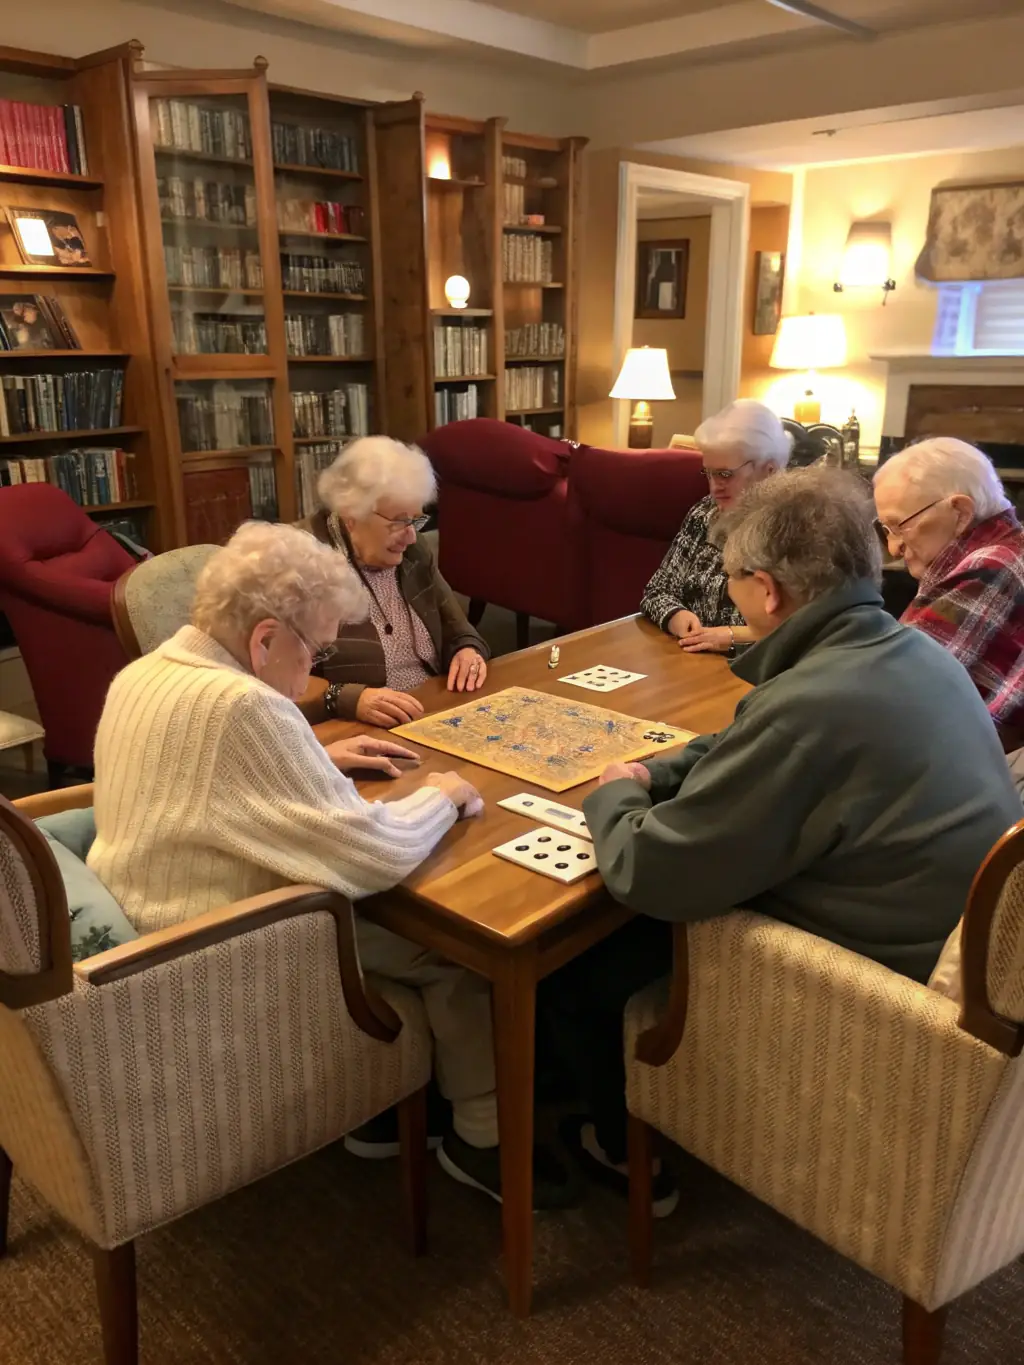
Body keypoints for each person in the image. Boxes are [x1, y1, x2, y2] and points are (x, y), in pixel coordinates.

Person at [540, 466, 1021, 1215]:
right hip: (941, 944)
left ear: (766, 590)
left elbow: (650, 870)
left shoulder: (814, 701)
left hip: (866, 994)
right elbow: (750, 741)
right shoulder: (907, 651)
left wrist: (614, 796)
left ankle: (630, 1150)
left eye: (731, 580)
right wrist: (656, 769)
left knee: (578, 965)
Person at [88, 521, 567, 1206]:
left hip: (151, 917)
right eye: (314, 649)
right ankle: (480, 1140)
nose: (314, 670)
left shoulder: (148, 671)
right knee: (457, 946)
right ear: (263, 639)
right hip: (218, 951)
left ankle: (393, 1113)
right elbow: (376, 855)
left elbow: (209, 783)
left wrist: (314, 755)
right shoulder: (244, 707)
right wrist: (442, 794)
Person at [298, 436, 489, 728]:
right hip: (356, 730)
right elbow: (271, 681)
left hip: (434, 707)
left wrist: (467, 650)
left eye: (415, 520)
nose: (412, 536)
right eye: (399, 521)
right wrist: (350, 698)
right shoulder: (303, 562)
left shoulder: (413, 551)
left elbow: (458, 628)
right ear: (352, 515)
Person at [873, 437, 1024, 748]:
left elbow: (893, 687)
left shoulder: (991, 564)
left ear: (960, 513)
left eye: (900, 526)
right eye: (886, 530)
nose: (894, 547)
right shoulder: (1007, 548)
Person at [640, 398, 791, 656]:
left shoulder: (796, 527)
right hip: (691, 660)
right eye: (708, 473)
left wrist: (732, 637)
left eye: (725, 474)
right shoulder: (705, 513)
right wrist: (676, 616)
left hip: (761, 670)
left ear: (769, 471)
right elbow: (656, 592)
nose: (714, 487)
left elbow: (802, 627)